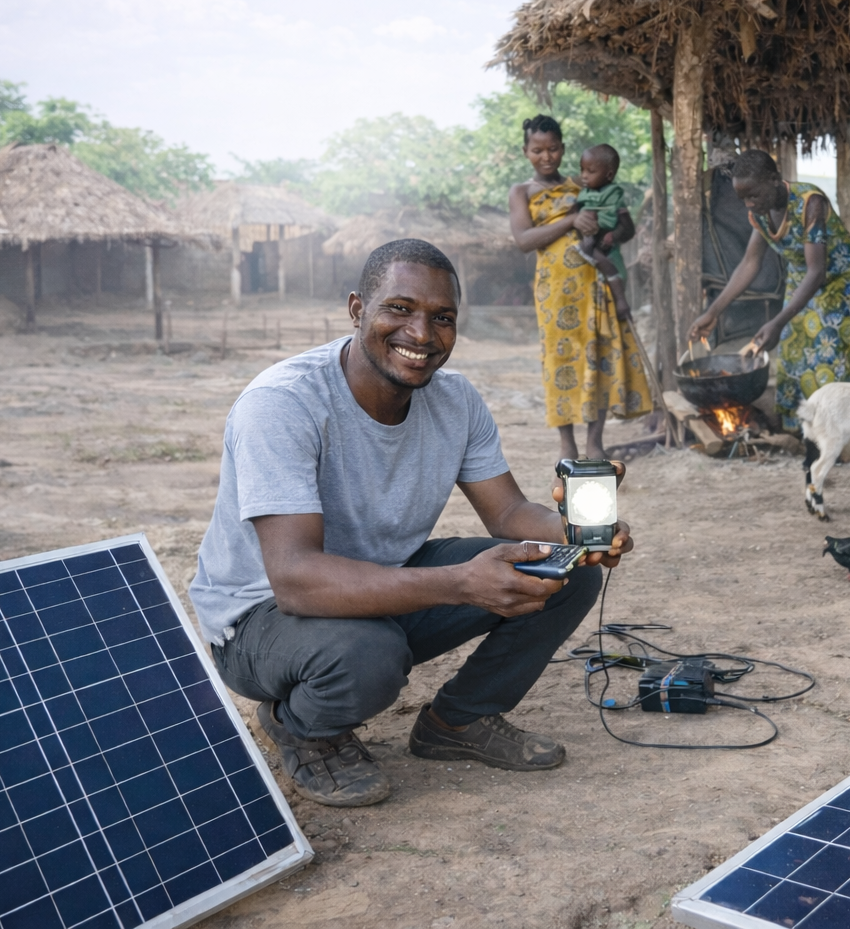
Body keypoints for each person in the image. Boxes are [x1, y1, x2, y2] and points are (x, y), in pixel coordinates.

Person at [189, 239, 633, 807]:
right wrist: (458, 582)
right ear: (357, 309)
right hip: (262, 617)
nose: (422, 335)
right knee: (368, 654)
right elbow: (295, 579)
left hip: (382, 582)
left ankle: (456, 722)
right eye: (399, 309)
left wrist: (577, 531)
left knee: (563, 573)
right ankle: (299, 726)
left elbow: (508, 513)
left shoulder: (455, 399)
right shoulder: (282, 404)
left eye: (442, 318)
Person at [688, 149, 850, 431]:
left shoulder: (811, 203)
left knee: (828, 354)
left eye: (753, 196)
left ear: (773, 179)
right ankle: (801, 431)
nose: (749, 204)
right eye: (743, 199)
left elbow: (818, 271)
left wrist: (777, 321)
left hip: (840, 282)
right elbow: (749, 264)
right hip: (803, 280)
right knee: (794, 354)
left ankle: (838, 432)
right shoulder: (759, 215)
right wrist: (712, 312)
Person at [508, 115, 651, 460]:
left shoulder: (586, 185)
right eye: (538, 150)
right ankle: (567, 443)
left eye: (554, 148)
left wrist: (608, 233)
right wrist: (571, 219)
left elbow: (626, 226)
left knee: (596, 357)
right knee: (560, 361)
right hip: (554, 292)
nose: (547, 157)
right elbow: (525, 240)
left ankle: (595, 441)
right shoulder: (521, 192)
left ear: (563, 148)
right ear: (526, 151)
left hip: (593, 285)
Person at [575, 144, 632, 320]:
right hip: (586, 248)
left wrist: (613, 235)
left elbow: (627, 228)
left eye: (590, 171)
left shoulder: (613, 196)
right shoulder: (581, 194)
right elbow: (572, 219)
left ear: (608, 175)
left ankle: (621, 302)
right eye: (582, 170)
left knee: (610, 268)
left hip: (605, 248)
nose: (584, 175)